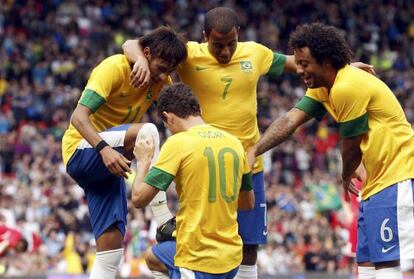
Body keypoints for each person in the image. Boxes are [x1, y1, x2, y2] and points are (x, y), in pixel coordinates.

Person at [122, 8, 375, 279]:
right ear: (205, 37)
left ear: (238, 35)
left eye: (231, 44)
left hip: (246, 162)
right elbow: (132, 44)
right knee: (201, 240)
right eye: (217, 45)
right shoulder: (188, 54)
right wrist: (138, 59)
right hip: (202, 164)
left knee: (249, 244)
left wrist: (343, 69)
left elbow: (299, 62)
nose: (225, 51)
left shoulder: (254, 53)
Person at [248, 22, 414, 279]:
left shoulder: (347, 86)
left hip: (397, 176)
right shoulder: (324, 88)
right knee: (367, 265)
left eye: (305, 64)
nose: (299, 70)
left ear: (326, 61)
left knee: (387, 265)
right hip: (376, 184)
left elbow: (351, 148)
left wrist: (345, 175)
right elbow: (290, 120)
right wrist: (255, 150)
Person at [61, 26, 187, 279]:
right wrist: (103, 149)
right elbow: (78, 117)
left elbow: (179, 123)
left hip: (109, 167)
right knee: (148, 131)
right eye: (161, 67)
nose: (163, 76)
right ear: (147, 53)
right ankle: (162, 219)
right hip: (82, 150)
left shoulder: (160, 80)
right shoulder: (115, 68)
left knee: (111, 254)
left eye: (169, 71)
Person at [131, 83, 255, 279]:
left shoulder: (178, 142)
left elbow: (138, 198)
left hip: (197, 257)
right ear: (200, 110)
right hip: (230, 257)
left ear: (168, 117)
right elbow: (248, 203)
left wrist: (143, 162)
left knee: (153, 258)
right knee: (153, 256)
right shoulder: (235, 143)